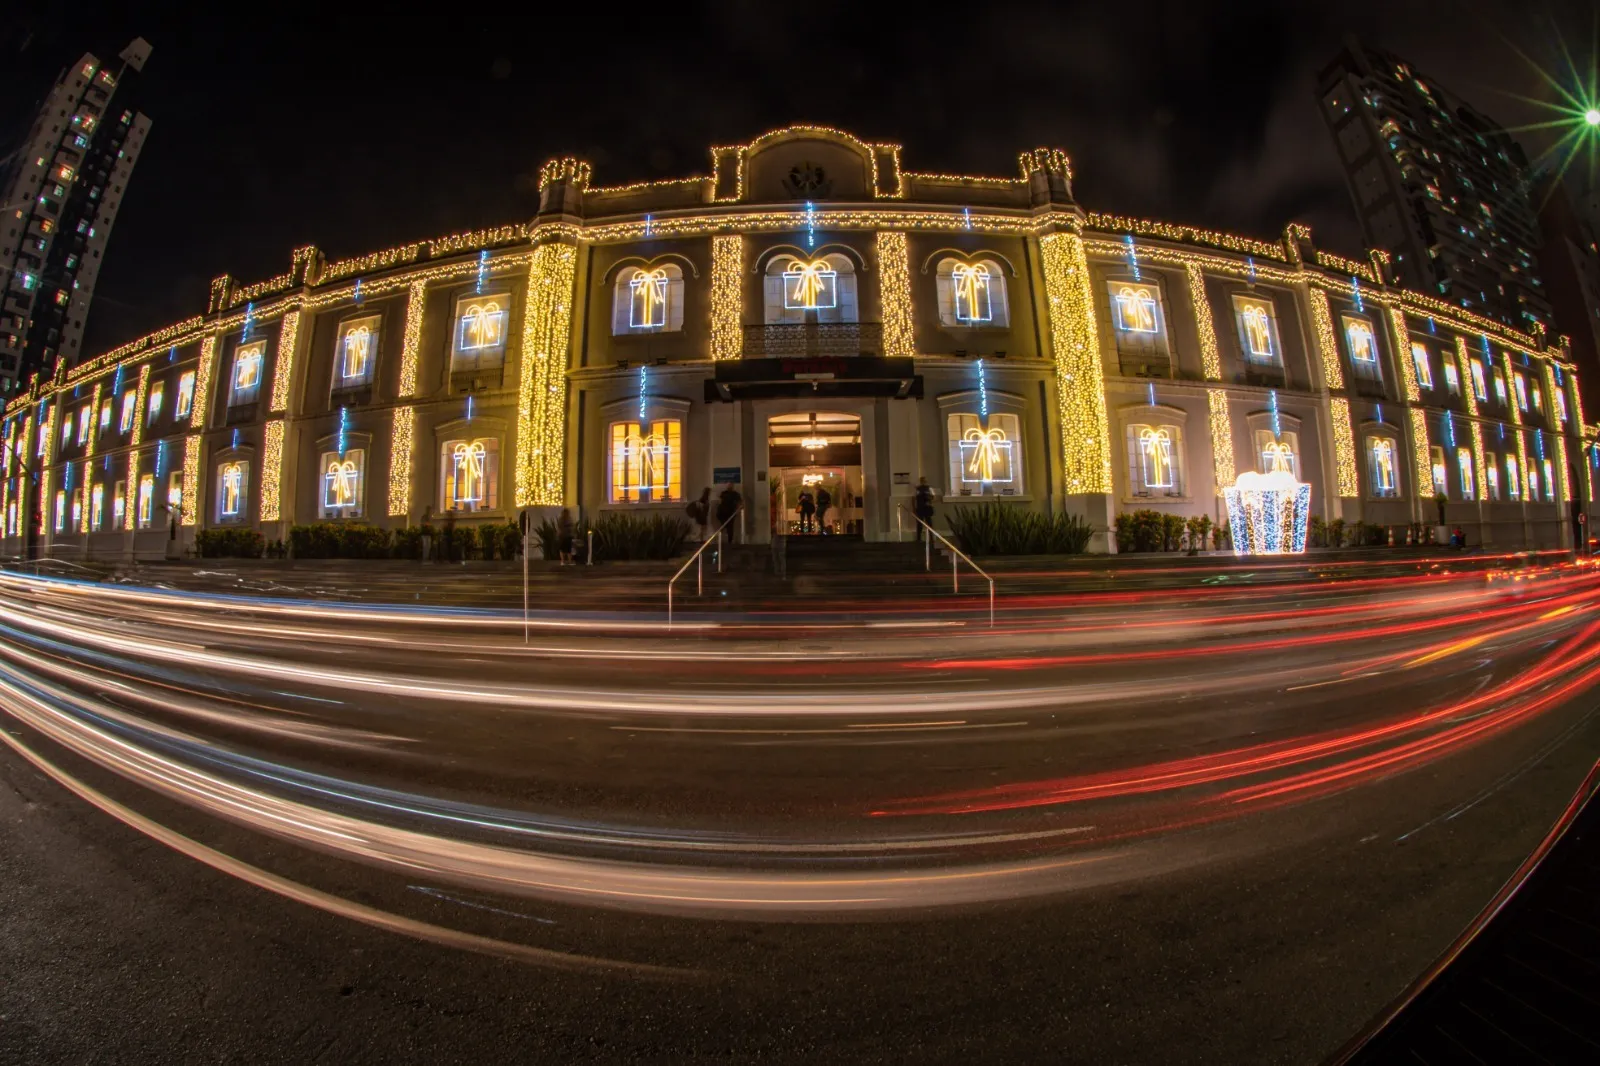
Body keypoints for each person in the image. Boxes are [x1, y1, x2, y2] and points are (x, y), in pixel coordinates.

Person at [913, 476, 935, 541]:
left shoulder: (929, 488)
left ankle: (931, 538)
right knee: (920, 524)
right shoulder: (918, 489)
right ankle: (919, 538)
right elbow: (914, 498)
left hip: (927, 508)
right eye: (922, 480)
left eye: (924, 480)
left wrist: (930, 501)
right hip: (920, 508)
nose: (923, 482)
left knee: (929, 523)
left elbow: (933, 497)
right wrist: (914, 508)